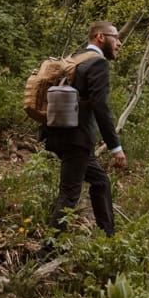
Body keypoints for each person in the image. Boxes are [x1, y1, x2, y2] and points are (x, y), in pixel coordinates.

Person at [42, 21, 127, 238]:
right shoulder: (98, 64)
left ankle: (108, 236)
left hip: (59, 134)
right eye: (115, 38)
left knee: (100, 181)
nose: (119, 43)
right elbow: (101, 106)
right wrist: (115, 147)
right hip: (77, 139)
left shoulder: (76, 58)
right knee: (69, 194)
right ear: (100, 37)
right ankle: (47, 251)